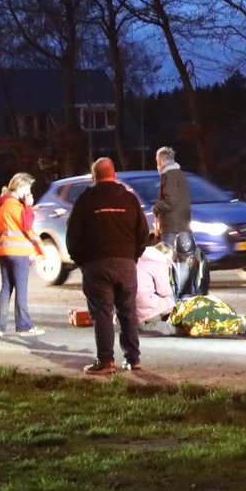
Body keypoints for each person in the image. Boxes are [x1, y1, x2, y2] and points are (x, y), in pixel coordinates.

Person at [67, 157, 150, 373]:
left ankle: (106, 361)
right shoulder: (130, 199)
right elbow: (143, 233)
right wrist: (133, 256)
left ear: (94, 176)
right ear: (114, 174)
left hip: (96, 264)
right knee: (128, 312)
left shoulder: (86, 200)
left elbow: (73, 236)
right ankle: (133, 359)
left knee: (102, 313)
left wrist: (82, 261)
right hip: (126, 264)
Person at [0, 172, 46, 339]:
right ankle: (24, 326)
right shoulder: (15, 206)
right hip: (18, 253)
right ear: (20, 187)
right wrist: (28, 207)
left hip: (3, 251)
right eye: (28, 188)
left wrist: (28, 209)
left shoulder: (2, 204)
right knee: (21, 290)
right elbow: (27, 225)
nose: (29, 192)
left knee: (6, 288)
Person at [153, 145, 199, 298]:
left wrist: (156, 208)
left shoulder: (169, 176)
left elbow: (170, 200)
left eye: (157, 161)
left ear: (162, 161)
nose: (157, 165)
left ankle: (173, 295)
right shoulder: (180, 174)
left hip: (172, 225)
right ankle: (185, 293)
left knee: (167, 260)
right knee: (183, 260)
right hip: (183, 223)